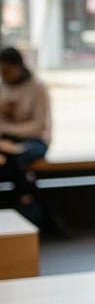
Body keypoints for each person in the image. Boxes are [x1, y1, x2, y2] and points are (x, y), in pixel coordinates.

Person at [0, 48, 53, 230]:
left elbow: (39, 126)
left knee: (14, 159)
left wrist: (7, 129)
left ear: (19, 67)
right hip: (5, 142)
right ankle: (27, 203)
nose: (4, 74)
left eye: (7, 70)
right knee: (11, 160)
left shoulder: (37, 87)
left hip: (35, 141)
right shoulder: (2, 84)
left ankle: (26, 211)